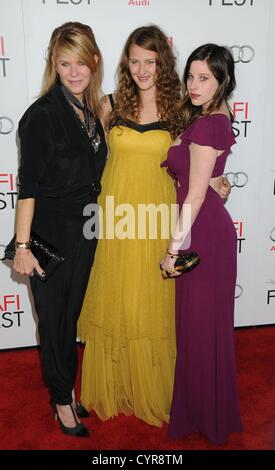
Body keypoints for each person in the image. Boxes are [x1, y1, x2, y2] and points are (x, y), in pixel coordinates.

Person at [78, 27, 230, 427]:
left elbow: (196, 159)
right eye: (134, 60)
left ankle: (157, 388)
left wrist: (217, 181)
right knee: (119, 299)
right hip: (116, 216)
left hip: (161, 215)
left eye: (150, 60)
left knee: (155, 304)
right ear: (125, 64)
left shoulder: (183, 109)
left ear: (162, 62)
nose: (142, 69)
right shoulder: (108, 105)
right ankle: (117, 384)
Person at [12, 22, 107, 437]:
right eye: (64, 63)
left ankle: (66, 387)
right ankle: (60, 400)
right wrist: (21, 246)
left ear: (94, 62)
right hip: (47, 237)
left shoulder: (90, 109)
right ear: (54, 63)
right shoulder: (42, 115)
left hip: (85, 234)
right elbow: (28, 187)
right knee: (52, 321)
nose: (73, 72)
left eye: (80, 63)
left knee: (69, 318)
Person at [160, 43, 243, 444]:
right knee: (199, 329)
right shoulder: (211, 116)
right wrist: (215, 184)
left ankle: (206, 416)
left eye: (204, 78)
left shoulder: (209, 123)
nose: (193, 84)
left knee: (202, 329)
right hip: (205, 226)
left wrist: (174, 250)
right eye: (190, 76)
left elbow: (193, 195)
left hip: (203, 236)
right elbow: (204, 181)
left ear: (222, 81)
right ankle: (203, 412)